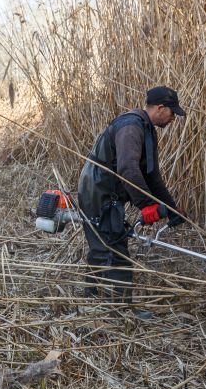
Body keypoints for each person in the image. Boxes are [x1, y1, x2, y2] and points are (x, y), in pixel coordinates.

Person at [77, 86, 186, 318]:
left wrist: (171, 207)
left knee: (103, 243)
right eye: (172, 112)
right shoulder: (131, 127)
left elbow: (151, 176)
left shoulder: (146, 129)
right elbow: (128, 169)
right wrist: (146, 205)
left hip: (106, 192)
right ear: (160, 108)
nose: (173, 118)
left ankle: (91, 296)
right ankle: (122, 310)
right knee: (114, 247)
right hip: (98, 191)